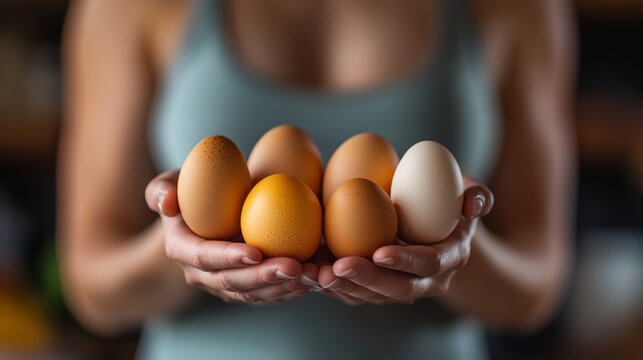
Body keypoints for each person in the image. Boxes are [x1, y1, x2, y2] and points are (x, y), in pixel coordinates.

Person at [58, 0, 575, 358]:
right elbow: (91, 289)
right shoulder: (124, 8)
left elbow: (537, 290)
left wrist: (454, 253)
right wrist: (185, 249)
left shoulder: (521, 10)